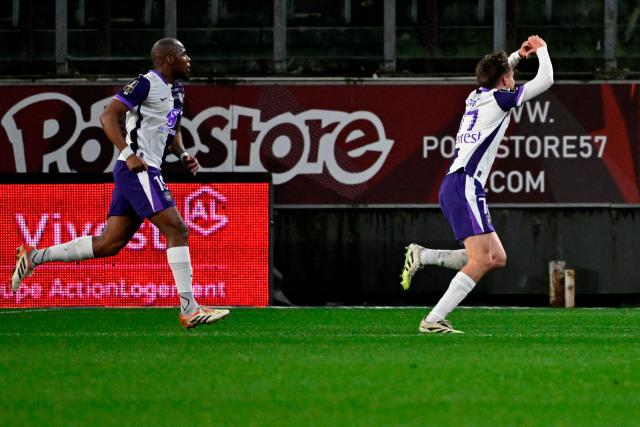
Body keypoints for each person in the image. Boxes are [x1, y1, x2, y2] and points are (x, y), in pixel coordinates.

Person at [11, 38, 229, 329]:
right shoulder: (145, 83)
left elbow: (171, 129)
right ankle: (189, 308)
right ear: (168, 59)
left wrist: (183, 153)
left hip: (145, 169)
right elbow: (107, 116)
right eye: (183, 54)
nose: (188, 58)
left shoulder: (177, 90)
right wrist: (127, 154)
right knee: (177, 229)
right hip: (138, 169)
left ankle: (34, 256)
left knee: (108, 244)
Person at [401, 35, 553, 333]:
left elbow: (495, 72)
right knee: (482, 259)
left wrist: (519, 57)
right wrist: (541, 50)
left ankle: (423, 255)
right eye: (511, 76)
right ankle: (432, 320)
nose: (514, 80)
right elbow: (546, 79)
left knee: (495, 258)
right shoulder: (500, 98)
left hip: (459, 185)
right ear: (504, 80)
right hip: (464, 185)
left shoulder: (477, 94)